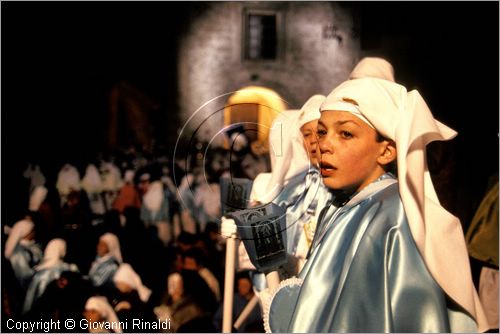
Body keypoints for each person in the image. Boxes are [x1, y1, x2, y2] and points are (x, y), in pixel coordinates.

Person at [263, 77, 488, 332]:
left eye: (345, 133)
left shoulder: (396, 217)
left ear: (387, 150)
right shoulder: (345, 205)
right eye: (322, 132)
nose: (324, 145)